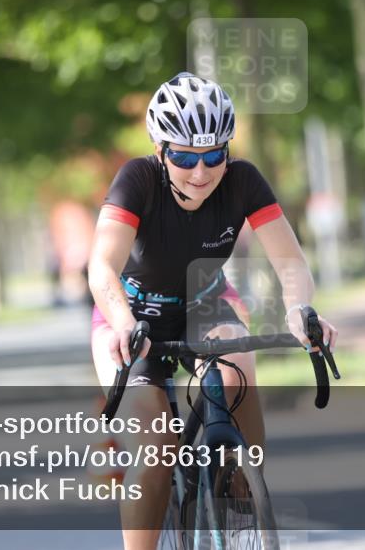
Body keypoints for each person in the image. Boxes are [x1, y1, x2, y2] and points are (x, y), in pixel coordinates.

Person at [87, 71, 339, 550]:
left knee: (238, 369)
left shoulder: (242, 181)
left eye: (213, 156)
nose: (200, 172)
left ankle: (243, 497)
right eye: (184, 157)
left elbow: (290, 262)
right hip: (131, 316)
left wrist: (299, 310)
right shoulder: (136, 179)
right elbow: (101, 265)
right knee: (155, 440)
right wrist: (122, 321)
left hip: (205, 304)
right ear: (161, 151)